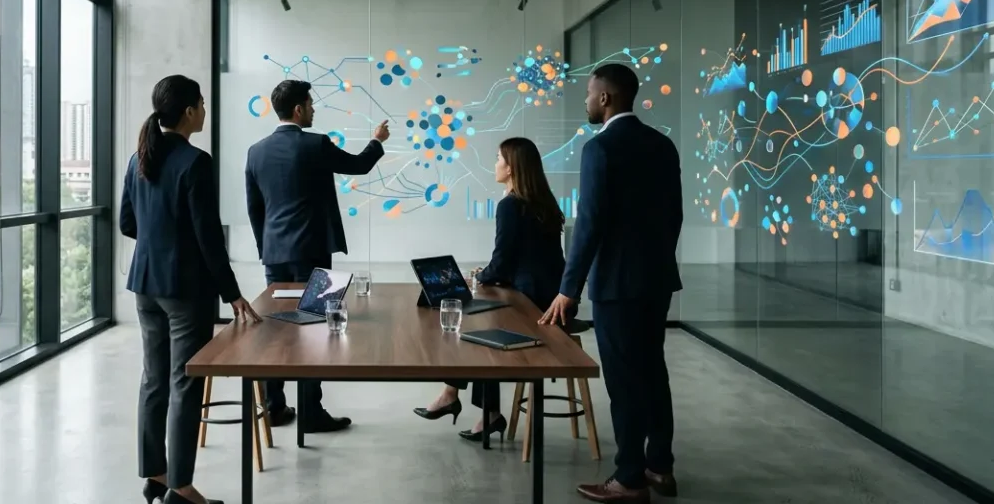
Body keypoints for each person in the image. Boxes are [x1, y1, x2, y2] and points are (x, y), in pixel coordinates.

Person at [539, 63, 683, 503]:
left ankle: (629, 478)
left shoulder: (599, 149)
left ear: (606, 98)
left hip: (617, 286)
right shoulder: (662, 145)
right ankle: (660, 466)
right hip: (656, 279)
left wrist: (569, 288)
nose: (585, 100)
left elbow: (590, 226)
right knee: (653, 371)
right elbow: (674, 215)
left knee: (623, 381)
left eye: (588, 93)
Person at [120, 75, 262, 504]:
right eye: (201, 103)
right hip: (184, 290)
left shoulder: (138, 157)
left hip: (145, 285)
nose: (204, 109)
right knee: (185, 383)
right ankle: (181, 489)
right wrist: (232, 293)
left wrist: (159, 240)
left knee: (154, 380)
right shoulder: (195, 162)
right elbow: (208, 238)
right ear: (188, 112)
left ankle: (157, 477)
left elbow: (129, 223)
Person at [245, 79, 390, 433]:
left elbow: (255, 208)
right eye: (310, 104)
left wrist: (267, 248)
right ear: (297, 109)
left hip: (275, 253)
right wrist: (377, 141)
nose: (313, 109)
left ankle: (274, 407)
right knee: (312, 330)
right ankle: (310, 412)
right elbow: (359, 166)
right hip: (311, 250)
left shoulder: (256, 151)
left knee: (276, 329)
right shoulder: (315, 144)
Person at [413, 137, 568, 443]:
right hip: (547, 295)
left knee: (470, 327)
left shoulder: (510, 205)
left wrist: (483, 275)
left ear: (511, 168)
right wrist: (489, 274)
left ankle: (464, 401)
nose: (494, 164)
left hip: (532, 304)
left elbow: (503, 262)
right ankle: (471, 404)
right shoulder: (542, 202)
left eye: (498, 158)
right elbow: (521, 257)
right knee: (475, 323)